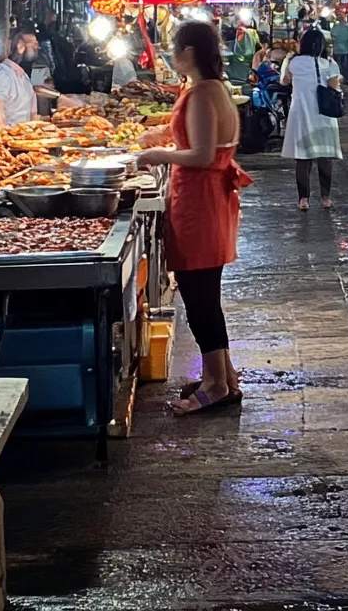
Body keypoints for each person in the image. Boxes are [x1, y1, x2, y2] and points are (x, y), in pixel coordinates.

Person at [136, 21, 252, 414]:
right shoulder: (213, 89)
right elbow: (202, 142)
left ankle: (216, 385)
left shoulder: (202, 93)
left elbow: (202, 156)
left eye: (173, 48)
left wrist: (158, 155)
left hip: (199, 204)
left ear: (189, 53)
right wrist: (162, 139)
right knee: (205, 295)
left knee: (200, 297)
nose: (170, 54)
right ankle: (223, 377)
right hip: (206, 201)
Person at [281, 28, 343, 210]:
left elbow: (284, 81)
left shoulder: (295, 62)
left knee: (302, 157)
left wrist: (287, 61)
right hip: (323, 114)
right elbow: (334, 85)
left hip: (300, 112)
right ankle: (325, 198)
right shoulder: (329, 63)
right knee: (325, 157)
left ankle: (303, 200)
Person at [0, 30, 41, 128]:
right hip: (10, 138)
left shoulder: (23, 76)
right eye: (34, 44)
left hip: (24, 137)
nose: (37, 47)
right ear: (20, 46)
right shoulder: (3, 77)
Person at [331, 12, 348, 87]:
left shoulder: (336, 26)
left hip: (338, 50)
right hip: (346, 49)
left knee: (338, 66)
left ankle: (340, 81)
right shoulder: (347, 26)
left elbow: (332, 36)